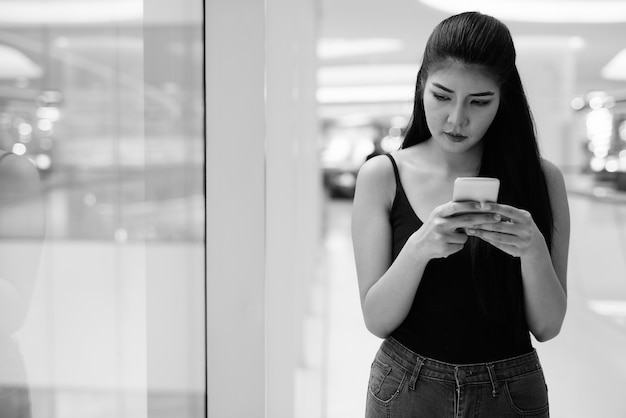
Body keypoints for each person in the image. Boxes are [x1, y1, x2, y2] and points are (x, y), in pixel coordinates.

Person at [351, 11, 569, 418]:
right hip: (406, 385)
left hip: (509, 391)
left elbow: (548, 326)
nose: (456, 119)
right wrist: (419, 247)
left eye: (479, 102)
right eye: (442, 95)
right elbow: (377, 320)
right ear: (421, 86)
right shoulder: (383, 176)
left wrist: (533, 249)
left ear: (503, 99)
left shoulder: (542, 179)